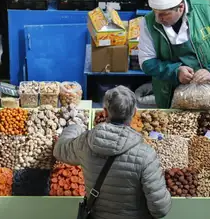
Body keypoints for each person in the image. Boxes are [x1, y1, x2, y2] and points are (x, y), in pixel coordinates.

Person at [53, 86, 172, 219]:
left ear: (104, 112)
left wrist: (75, 127)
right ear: (134, 113)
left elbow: (59, 150)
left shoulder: (85, 142)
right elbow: (160, 209)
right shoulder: (146, 155)